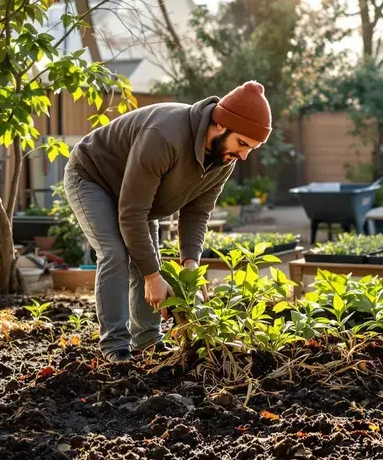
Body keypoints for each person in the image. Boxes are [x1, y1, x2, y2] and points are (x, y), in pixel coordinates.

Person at [62, 81, 272, 362]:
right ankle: (115, 347)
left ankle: (148, 342)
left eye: (252, 149)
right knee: (115, 253)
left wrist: (191, 265)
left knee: (148, 260)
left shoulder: (224, 161)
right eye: (243, 144)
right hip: (93, 177)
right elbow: (131, 212)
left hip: (137, 198)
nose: (244, 156)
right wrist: (152, 277)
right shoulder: (165, 135)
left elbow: (197, 213)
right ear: (220, 125)